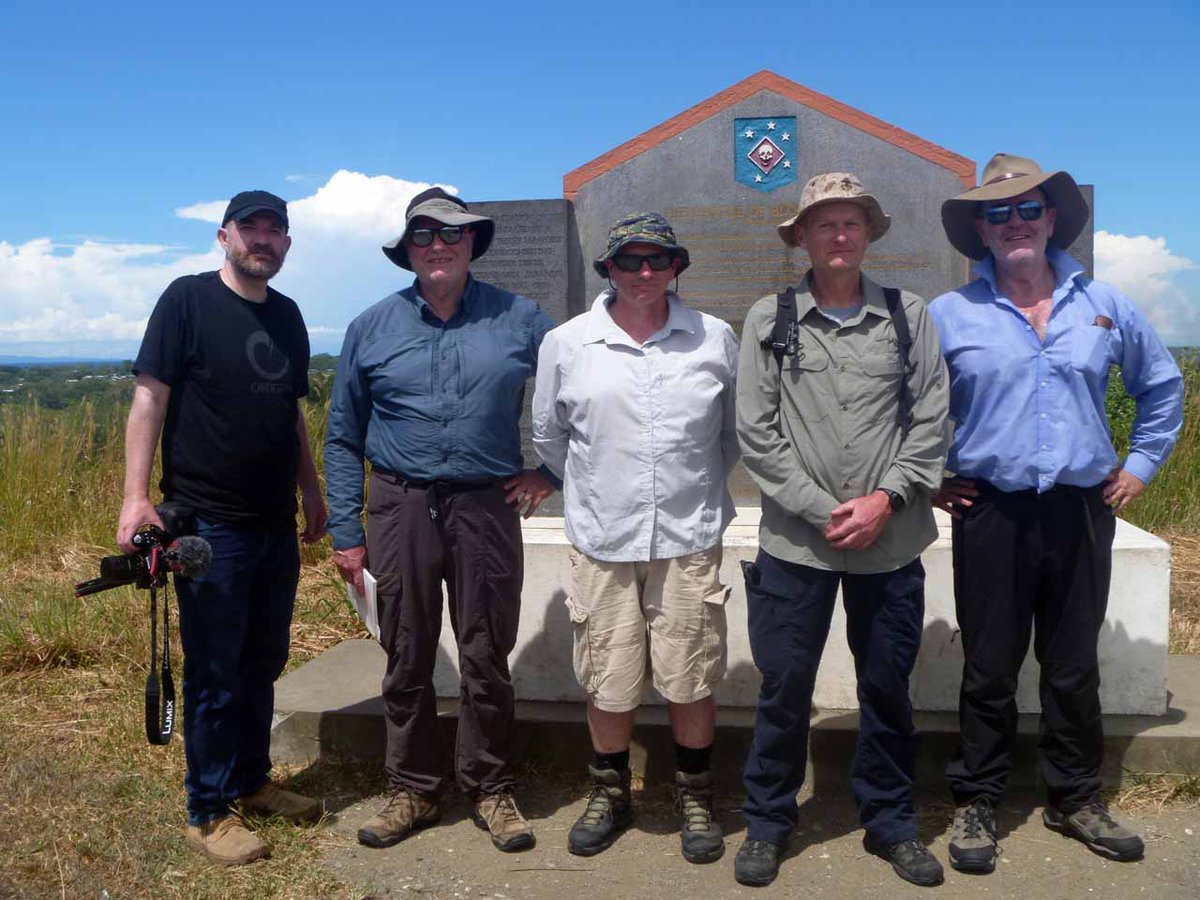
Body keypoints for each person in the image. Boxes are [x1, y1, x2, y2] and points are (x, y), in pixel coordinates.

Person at [930, 153, 1184, 873]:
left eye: (1028, 209)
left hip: (1079, 509)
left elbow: (1161, 388)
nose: (1014, 222)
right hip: (992, 511)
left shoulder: (1105, 304)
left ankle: (1074, 797)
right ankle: (977, 797)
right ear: (980, 227)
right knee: (989, 664)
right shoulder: (950, 315)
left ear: (1050, 219)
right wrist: (927, 480)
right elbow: (908, 409)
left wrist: (1138, 466)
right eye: (998, 211)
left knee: (1072, 666)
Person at [325, 187, 557, 853]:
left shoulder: (521, 319)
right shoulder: (371, 328)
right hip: (399, 505)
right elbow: (343, 436)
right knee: (406, 648)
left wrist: (552, 472)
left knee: (485, 649)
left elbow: (582, 390)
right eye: (423, 235)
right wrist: (347, 530)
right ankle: (413, 788)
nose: (437, 245)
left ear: (472, 244)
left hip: (487, 504)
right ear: (408, 251)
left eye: (451, 234)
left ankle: (489, 786)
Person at [733, 173, 950, 887]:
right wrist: (822, 506)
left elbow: (931, 420)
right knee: (784, 685)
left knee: (886, 685)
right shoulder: (771, 317)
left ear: (868, 232)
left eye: (852, 222)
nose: (838, 234)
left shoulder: (906, 313)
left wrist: (885, 498)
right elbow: (757, 434)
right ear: (801, 235)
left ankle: (890, 821)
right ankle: (767, 822)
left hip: (890, 542)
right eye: (823, 223)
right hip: (797, 545)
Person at [117, 190, 327, 866]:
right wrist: (135, 499)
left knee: (263, 661)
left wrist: (311, 490)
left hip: (273, 521)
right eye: (251, 228)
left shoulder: (289, 316)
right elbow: (150, 396)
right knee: (215, 669)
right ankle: (208, 811)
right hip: (208, 524)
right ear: (223, 236)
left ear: (286, 244)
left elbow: (291, 414)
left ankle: (253, 781)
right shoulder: (187, 300)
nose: (262, 239)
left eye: (275, 230)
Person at [532, 212, 739, 863]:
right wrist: (606, 491)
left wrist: (686, 489)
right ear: (609, 269)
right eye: (630, 260)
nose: (644, 272)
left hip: (689, 539)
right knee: (610, 679)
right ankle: (610, 792)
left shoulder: (715, 338)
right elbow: (548, 437)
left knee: (691, 677)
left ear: (676, 265)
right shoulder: (567, 344)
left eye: (658, 259)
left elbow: (729, 436)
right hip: (603, 541)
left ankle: (696, 794)